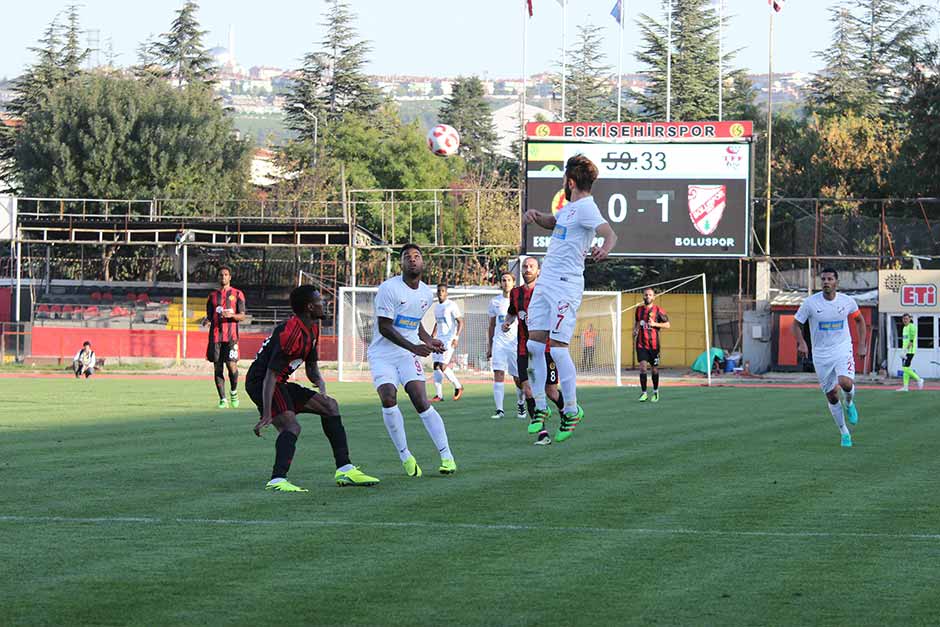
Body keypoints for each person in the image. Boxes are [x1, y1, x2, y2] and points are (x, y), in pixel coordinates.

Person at [523, 154, 618, 442]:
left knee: (558, 349)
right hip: (547, 282)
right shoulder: (569, 209)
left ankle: (572, 409)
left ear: (571, 181)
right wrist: (537, 217)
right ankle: (540, 405)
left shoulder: (587, 208)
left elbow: (608, 233)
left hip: (565, 285)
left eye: (565, 179)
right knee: (534, 345)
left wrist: (605, 248)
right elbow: (554, 222)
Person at [247, 285, 379, 492]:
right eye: (320, 300)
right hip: (262, 382)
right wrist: (266, 413)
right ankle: (277, 480)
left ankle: (345, 469)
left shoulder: (313, 328)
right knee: (291, 426)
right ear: (310, 307)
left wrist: (320, 383)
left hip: (279, 382)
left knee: (330, 407)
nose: (324, 303)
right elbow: (270, 375)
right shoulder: (290, 332)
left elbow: (310, 367)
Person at [368, 243, 457, 476]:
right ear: (401, 263)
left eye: (417, 256)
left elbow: (415, 325)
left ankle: (447, 456)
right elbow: (385, 327)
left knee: (420, 399)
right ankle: (405, 455)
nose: (413, 260)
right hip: (383, 354)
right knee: (388, 397)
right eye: (408, 257)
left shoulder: (427, 294)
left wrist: (429, 342)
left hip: (408, 353)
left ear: (423, 262)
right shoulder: (389, 289)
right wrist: (415, 348)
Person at [792, 268, 868, 448]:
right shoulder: (810, 303)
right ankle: (844, 432)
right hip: (821, 355)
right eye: (823, 279)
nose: (826, 282)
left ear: (836, 282)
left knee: (845, 383)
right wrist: (801, 342)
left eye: (830, 279)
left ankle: (849, 403)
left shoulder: (847, 301)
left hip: (842, 349)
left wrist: (862, 344)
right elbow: (796, 324)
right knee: (832, 396)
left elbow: (859, 320)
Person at [503, 256, 569, 445]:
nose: (527, 269)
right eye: (525, 266)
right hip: (524, 349)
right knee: (528, 390)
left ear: (538, 271)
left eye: (531, 266)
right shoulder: (515, 294)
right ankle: (542, 433)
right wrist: (508, 322)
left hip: (546, 349)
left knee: (550, 391)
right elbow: (512, 311)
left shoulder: (547, 293)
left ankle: (567, 413)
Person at [202, 266, 246, 409]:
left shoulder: (237, 294)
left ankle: (233, 391)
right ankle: (222, 399)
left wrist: (232, 315)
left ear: (230, 277)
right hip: (215, 337)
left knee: (231, 366)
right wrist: (206, 321)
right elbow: (209, 316)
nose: (223, 277)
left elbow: (242, 316)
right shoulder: (212, 296)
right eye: (221, 275)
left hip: (231, 336)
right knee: (217, 367)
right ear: (218, 277)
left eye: (226, 275)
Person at [486, 271, 526, 420]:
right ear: (500, 283)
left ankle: (521, 403)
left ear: (513, 282)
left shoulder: (518, 300)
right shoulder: (494, 302)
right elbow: (491, 326)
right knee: (498, 373)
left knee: (517, 378)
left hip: (514, 343)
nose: (506, 282)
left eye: (509, 280)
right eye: (503, 280)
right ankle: (499, 410)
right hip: (499, 343)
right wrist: (489, 346)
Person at [634, 288, 670, 402]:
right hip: (641, 344)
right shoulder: (639, 310)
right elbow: (637, 322)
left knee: (654, 370)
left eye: (650, 295)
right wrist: (635, 330)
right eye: (645, 295)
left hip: (654, 346)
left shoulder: (658, 310)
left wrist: (654, 323)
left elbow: (668, 325)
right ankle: (644, 393)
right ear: (643, 296)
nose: (647, 296)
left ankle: (655, 392)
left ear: (653, 297)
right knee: (643, 368)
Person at [430, 284, 464, 402]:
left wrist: (456, 337)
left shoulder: (451, 305)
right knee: (435, 365)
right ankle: (439, 395)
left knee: (443, 365)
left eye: (443, 291)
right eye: (439, 291)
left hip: (448, 339)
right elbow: (437, 323)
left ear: (447, 293)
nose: (440, 293)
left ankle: (458, 386)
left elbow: (460, 322)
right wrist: (432, 336)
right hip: (438, 339)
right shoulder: (436, 307)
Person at [897, 313, 925, 392]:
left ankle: (919, 379)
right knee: (905, 368)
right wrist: (902, 351)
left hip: (910, 351)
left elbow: (911, 341)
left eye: (906, 318)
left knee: (905, 368)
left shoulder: (912, 327)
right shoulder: (904, 328)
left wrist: (905, 351)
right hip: (905, 351)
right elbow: (905, 341)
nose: (905, 320)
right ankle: (905, 387)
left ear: (910, 319)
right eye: (904, 319)